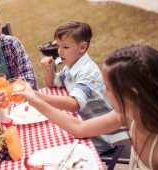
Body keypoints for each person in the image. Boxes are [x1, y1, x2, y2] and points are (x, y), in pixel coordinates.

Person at [15, 44, 158, 169]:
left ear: (131, 95)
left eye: (109, 88)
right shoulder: (129, 113)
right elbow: (79, 128)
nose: (104, 92)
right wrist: (34, 99)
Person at [39, 21, 113, 153]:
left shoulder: (87, 72)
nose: (59, 52)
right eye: (58, 46)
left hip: (101, 136)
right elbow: (53, 83)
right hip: (84, 124)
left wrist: (37, 97)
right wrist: (50, 67)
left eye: (65, 47)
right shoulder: (71, 65)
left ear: (82, 47)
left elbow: (74, 104)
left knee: (55, 148)